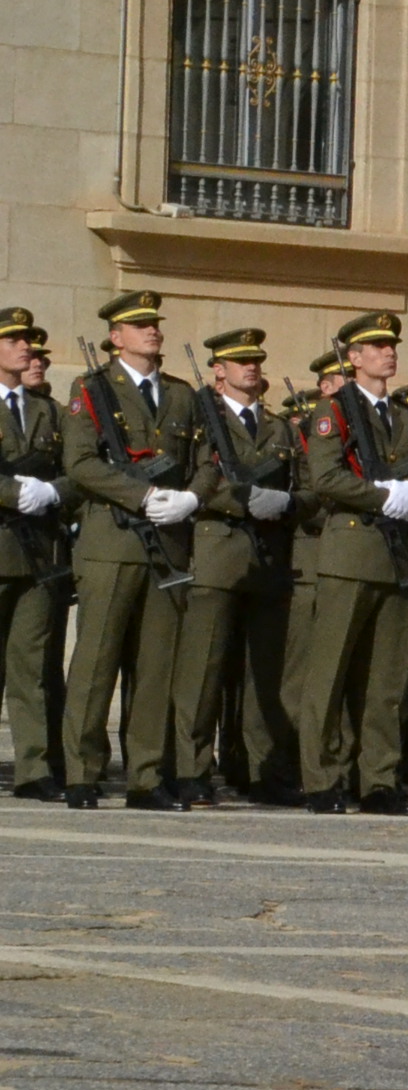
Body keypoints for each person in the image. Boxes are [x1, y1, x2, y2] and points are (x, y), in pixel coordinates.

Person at [62, 292, 204, 809]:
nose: (152, 331)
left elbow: (206, 459)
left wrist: (190, 497)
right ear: (115, 337)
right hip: (112, 542)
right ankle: (82, 772)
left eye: (155, 324)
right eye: (139, 325)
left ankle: (146, 775)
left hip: (167, 543)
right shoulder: (92, 389)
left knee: (155, 667)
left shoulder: (182, 394)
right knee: (96, 663)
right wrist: (140, 495)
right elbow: (79, 463)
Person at [289, 308, 408, 815]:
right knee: (328, 674)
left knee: (384, 679)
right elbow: (325, 477)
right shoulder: (334, 411)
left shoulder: (401, 415)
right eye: (376, 346)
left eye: (391, 345)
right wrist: (379, 496)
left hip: (395, 557)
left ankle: (378, 778)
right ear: (353, 358)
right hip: (350, 552)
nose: (388, 352)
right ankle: (322, 778)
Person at [173, 328, 301, 807]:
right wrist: (243, 501)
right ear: (218, 372)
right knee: (203, 672)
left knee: (264, 674)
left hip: (268, 559)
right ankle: (193, 770)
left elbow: (303, 487)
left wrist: (286, 502)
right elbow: (192, 481)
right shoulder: (205, 421)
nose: (251, 368)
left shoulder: (280, 429)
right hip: (217, 553)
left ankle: (262, 769)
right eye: (239, 361)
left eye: (256, 361)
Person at [0, 309, 68, 800]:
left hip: (39, 555)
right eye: (14, 339)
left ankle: (33, 769)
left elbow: (79, 468)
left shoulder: (49, 411)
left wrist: (51, 492)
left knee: (32, 668)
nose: (26, 347)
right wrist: (10, 493)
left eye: (29, 339)